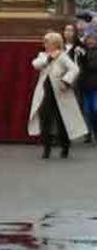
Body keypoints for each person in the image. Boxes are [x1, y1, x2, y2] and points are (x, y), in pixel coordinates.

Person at [29, 31, 88, 159]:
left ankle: (65, 146)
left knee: (62, 120)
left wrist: (66, 80)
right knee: (45, 120)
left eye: (47, 42)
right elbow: (35, 64)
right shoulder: (43, 55)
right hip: (46, 93)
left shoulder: (63, 56)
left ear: (54, 43)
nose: (45, 44)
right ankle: (46, 147)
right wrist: (49, 58)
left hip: (60, 93)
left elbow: (74, 69)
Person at [78, 30, 97, 142]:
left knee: (95, 109)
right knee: (87, 110)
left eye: (93, 39)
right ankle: (88, 133)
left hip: (95, 86)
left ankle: (95, 130)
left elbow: (92, 66)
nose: (90, 41)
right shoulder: (82, 52)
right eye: (88, 39)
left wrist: (84, 59)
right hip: (85, 85)